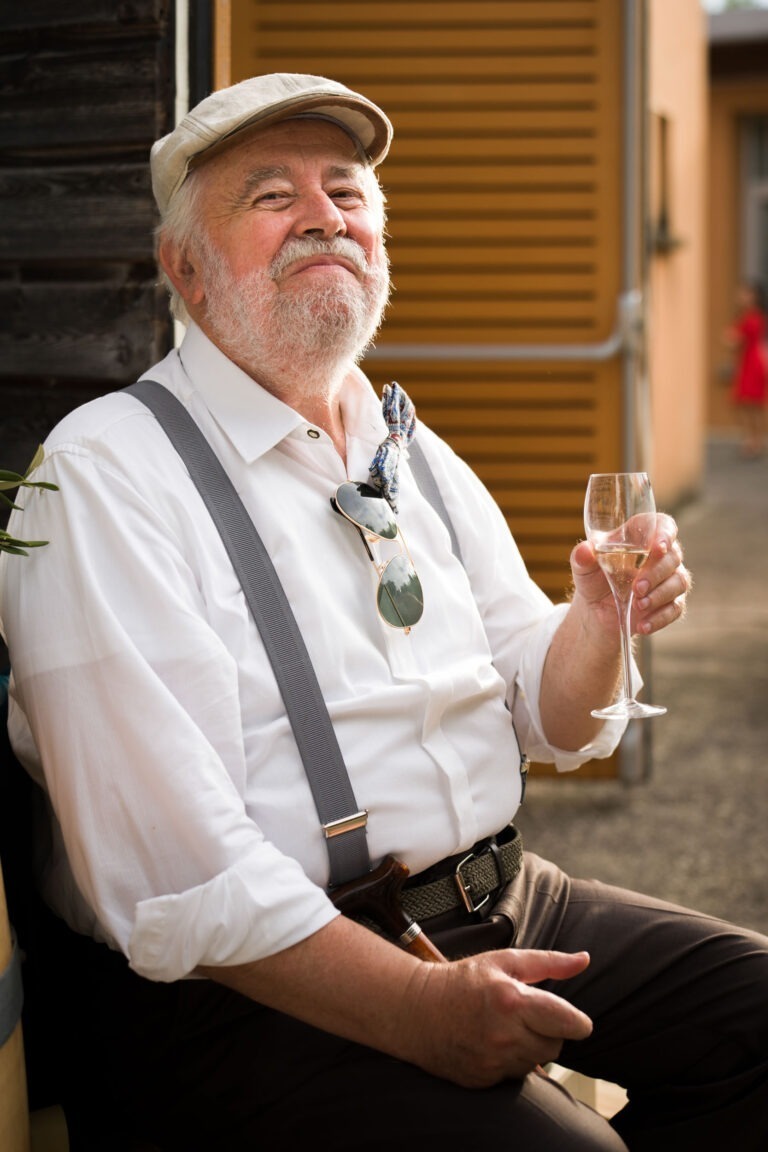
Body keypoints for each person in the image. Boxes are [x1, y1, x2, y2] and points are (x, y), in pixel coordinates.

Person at [0, 73, 764, 1152]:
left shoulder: (405, 444)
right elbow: (179, 876)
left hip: (498, 900)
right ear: (186, 269)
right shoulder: (103, 476)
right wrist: (419, 1013)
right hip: (254, 996)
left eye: (348, 191)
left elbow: (538, 705)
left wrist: (597, 626)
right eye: (271, 196)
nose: (325, 214)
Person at [725, 280, 767, 457]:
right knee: (746, 403)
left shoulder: (753, 317)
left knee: (752, 403)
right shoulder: (746, 316)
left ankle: (754, 439)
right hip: (747, 362)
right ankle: (751, 438)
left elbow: (737, 339)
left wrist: (731, 338)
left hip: (753, 362)